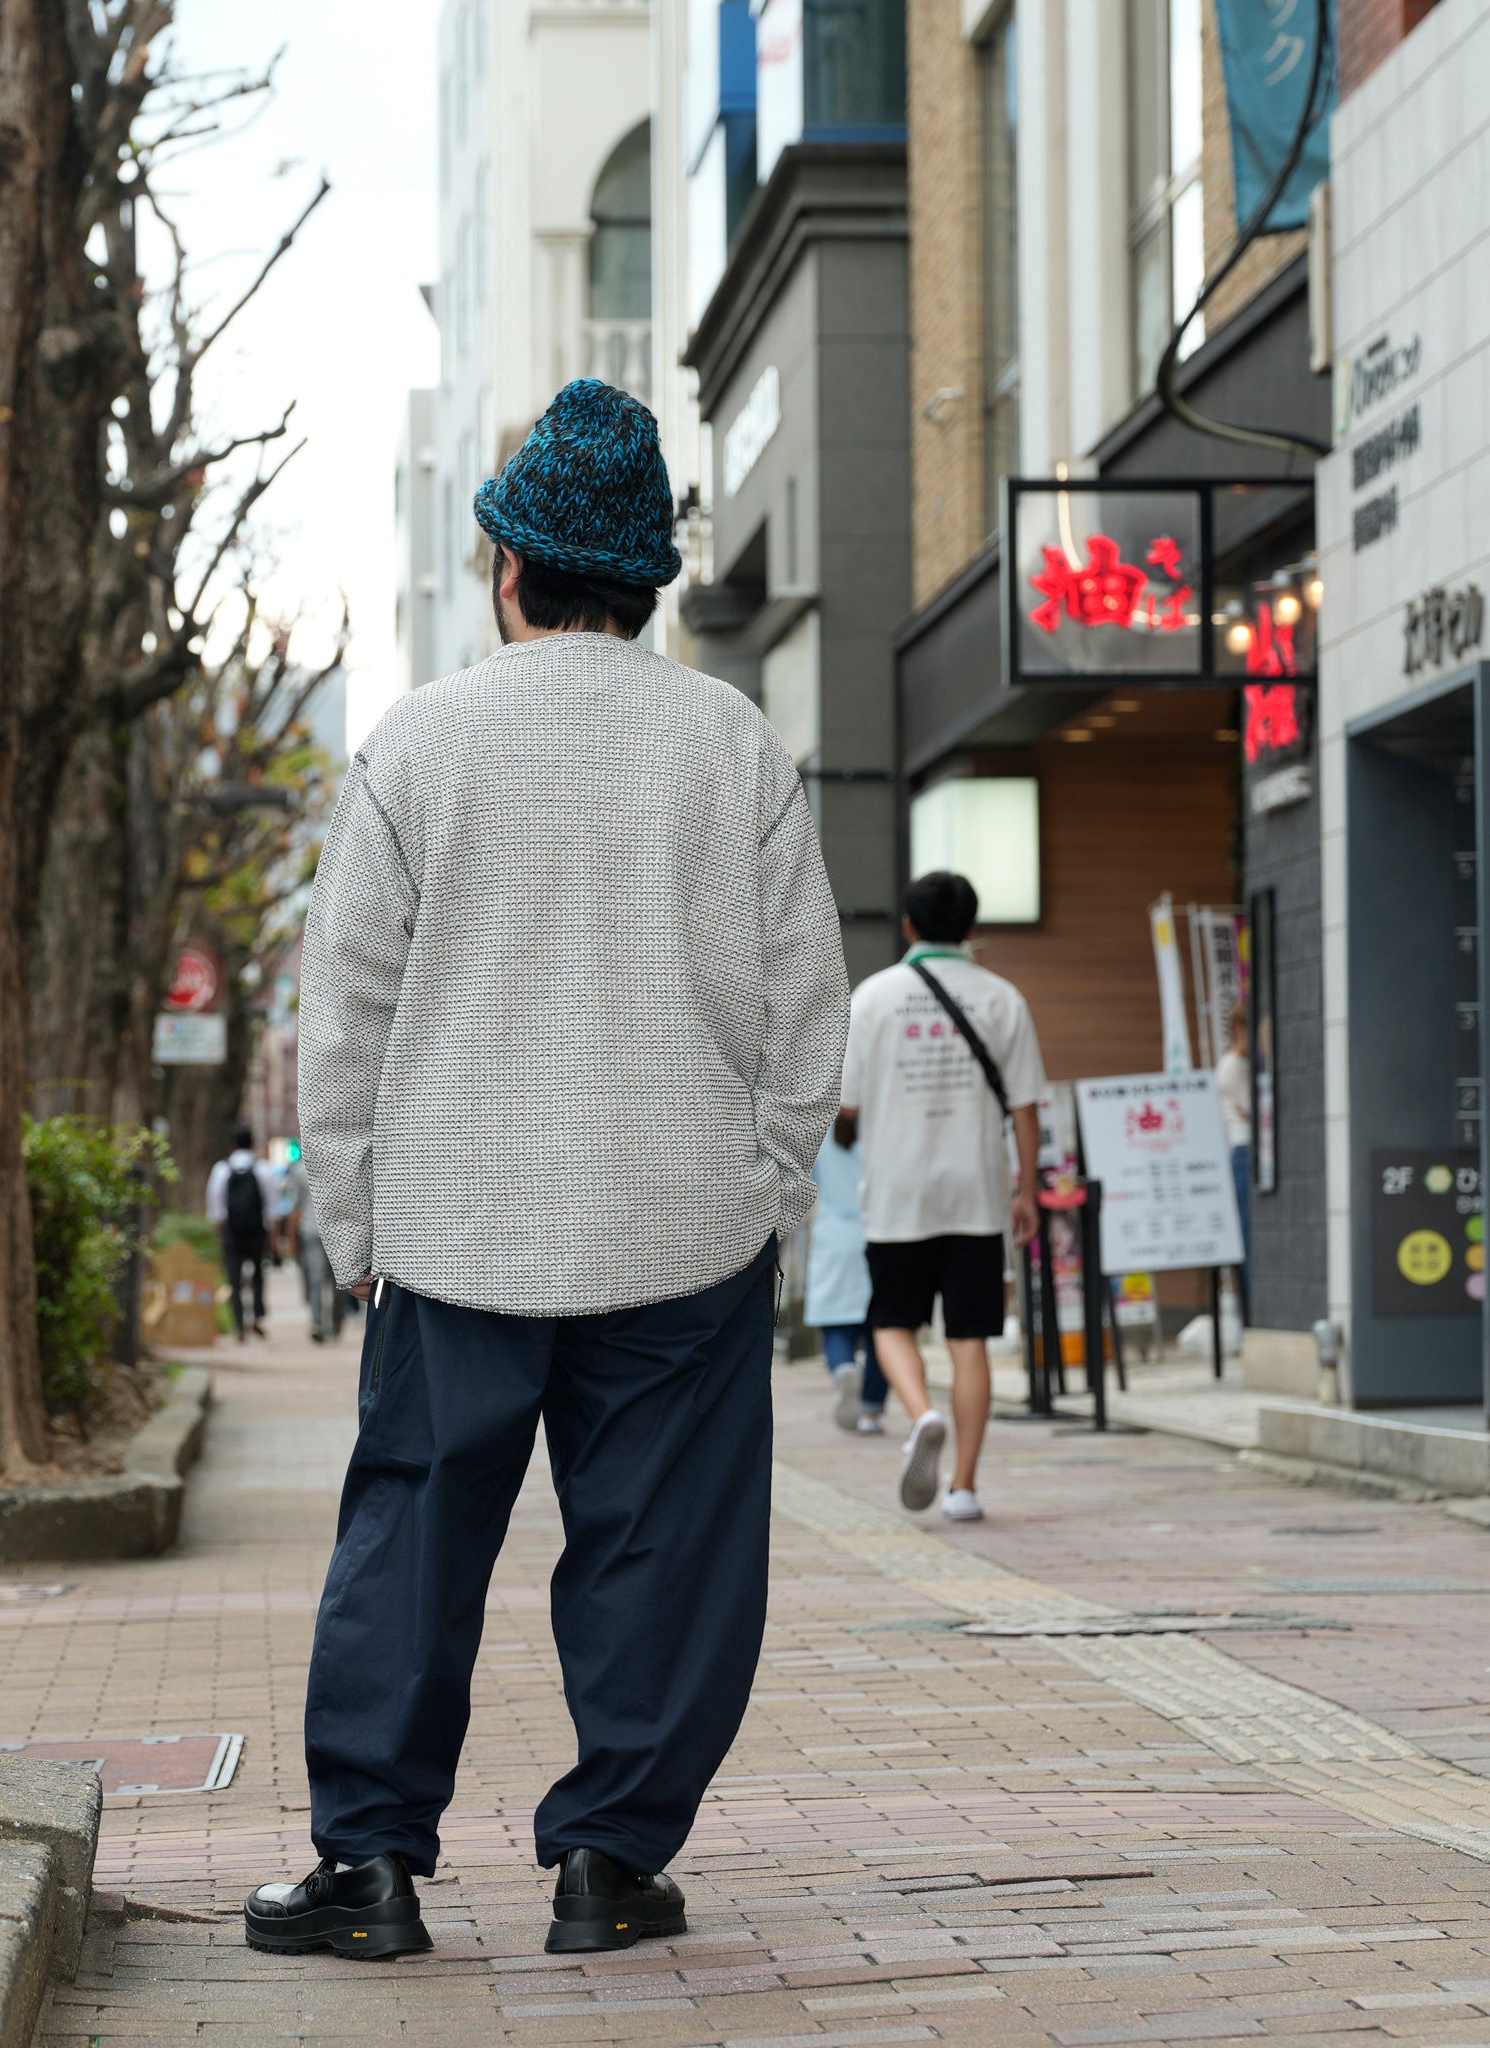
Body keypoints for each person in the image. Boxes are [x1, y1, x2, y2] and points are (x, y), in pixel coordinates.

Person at [245, 379, 848, 1963]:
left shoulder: (419, 742)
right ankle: (610, 1862)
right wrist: (771, 1197)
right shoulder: (735, 745)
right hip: (681, 1222)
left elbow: (349, 1004)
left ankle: (370, 1869)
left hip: (458, 1225)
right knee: (664, 1552)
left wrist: (350, 1221)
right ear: (643, 586)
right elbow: (805, 1005)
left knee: (414, 1540)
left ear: (508, 570)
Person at [840, 872, 1044, 1525]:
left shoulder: (873, 998)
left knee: (892, 1321)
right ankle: (963, 1487)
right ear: (972, 928)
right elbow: (1025, 1109)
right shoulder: (1003, 998)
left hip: (900, 1190)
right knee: (971, 1337)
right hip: (978, 1192)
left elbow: (846, 1103)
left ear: (907, 926)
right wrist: (1029, 1189)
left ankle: (921, 1412)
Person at [808, 1112, 886, 1434]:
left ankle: (842, 1369)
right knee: (881, 1331)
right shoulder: (878, 1129)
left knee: (836, 1325)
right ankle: (870, 1412)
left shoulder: (821, 1134)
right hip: (876, 1231)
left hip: (834, 1235)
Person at [207, 1126, 270, 1339]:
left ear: (231, 1145)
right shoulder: (262, 1168)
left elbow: (216, 1207)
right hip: (256, 1230)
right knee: (258, 1274)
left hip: (232, 1231)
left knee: (234, 1277)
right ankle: (257, 1316)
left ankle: (239, 1323)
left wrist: (220, 1232)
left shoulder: (221, 1169)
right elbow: (272, 1206)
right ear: (252, 1143)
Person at [284, 1145, 343, 1345]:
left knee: (316, 1280)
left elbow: (295, 1207)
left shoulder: (301, 1170)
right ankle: (332, 1326)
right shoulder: (341, 1169)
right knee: (339, 1283)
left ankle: (318, 1323)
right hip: (337, 1234)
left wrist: (291, 1238)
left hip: (312, 1231)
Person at [1217, 1003, 1252, 1313]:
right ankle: (1248, 1316)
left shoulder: (1247, 1064)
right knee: (1247, 1239)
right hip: (1243, 1152)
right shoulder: (1232, 1066)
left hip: (1247, 1153)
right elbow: (1252, 1112)